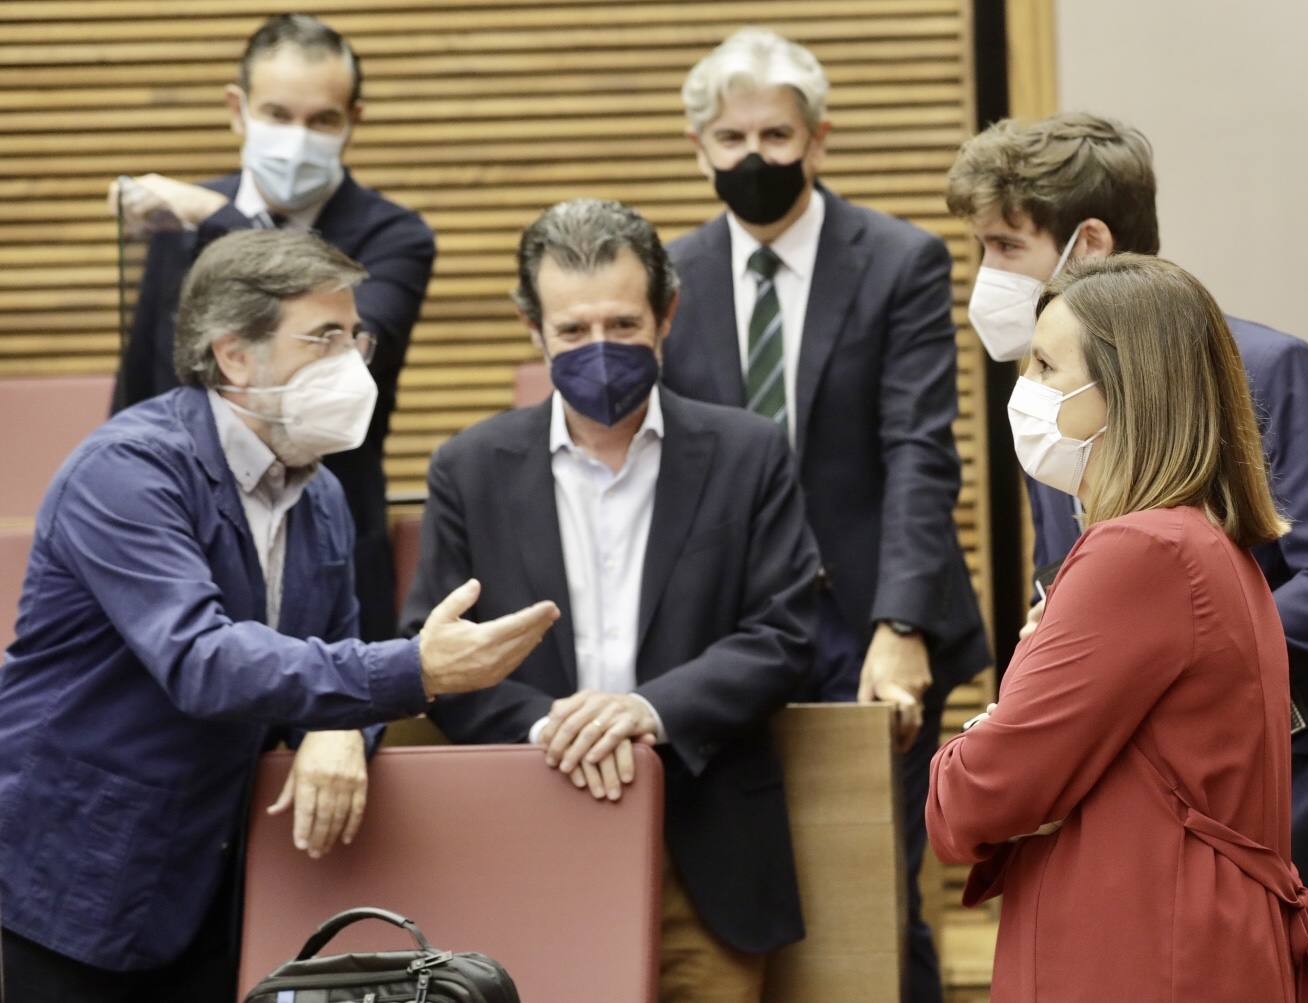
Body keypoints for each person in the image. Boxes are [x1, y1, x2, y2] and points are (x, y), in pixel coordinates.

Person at [0, 229, 558, 1003]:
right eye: (323, 338)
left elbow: (330, 652)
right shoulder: (128, 470)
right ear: (234, 356)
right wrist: (413, 669)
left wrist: (336, 727)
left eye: (354, 335)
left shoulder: (319, 492)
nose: (352, 362)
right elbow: (203, 660)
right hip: (64, 881)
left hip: (207, 882)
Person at [948, 111, 1308, 995]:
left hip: (1251, 796)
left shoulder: (1266, 368)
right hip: (1106, 814)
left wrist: (1162, 649)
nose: (984, 277)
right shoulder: (1057, 399)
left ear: (1086, 241)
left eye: (1004, 246)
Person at [401, 198, 819, 1003]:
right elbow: (432, 646)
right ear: (534, 328)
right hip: (528, 844)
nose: (599, 350)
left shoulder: (749, 452)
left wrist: (644, 710)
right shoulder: (469, 466)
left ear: (667, 315)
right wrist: (552, 726)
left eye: (623, 325)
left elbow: (784, 634)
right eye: (572, 330)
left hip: (706, 858)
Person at [658, 28, 989, 1001]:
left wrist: (901, 625)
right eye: (729, 138)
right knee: (739, 891)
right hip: (725, 631)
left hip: (864, 619)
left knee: (875, 890)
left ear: (819, 138)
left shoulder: (896, 260)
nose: (752, 157)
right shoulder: (668, 280)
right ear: (698, 147)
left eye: (774, 134)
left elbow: (918, 452)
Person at [110, 13, 436, 641]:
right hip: (186, 541)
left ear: (353, 122)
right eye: (278, 115)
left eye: (322, 121)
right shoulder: (179, 224)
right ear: (238, 110)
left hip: (326, 543)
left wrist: (222, 219)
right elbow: (142, 389)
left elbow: (359, 353)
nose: (297, 137)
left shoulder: (394, 235)